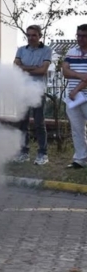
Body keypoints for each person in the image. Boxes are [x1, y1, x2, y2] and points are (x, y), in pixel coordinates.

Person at [12, 25, 52, 165]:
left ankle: (43, 154)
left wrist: (24, 68)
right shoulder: (21, 50)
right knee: (22, 122)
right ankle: (24, 152)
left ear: (39, 36)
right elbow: (15, 66)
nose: (30, 38)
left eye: (33, 35)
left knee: (39, 123)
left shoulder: (46, 50)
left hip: (38, 91)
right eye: (28, 35)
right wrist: (34, 67)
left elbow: (43, 71)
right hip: (22, 90)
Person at [62, 24, 87, 169]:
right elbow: (65, 71)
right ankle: (80, 159)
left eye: (84, 36)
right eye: (79, 35)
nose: (81, 39)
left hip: (79, 94)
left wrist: (76, 89)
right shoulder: (72, 52)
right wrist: (79, 75)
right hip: (74, 99)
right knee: (77, 129)